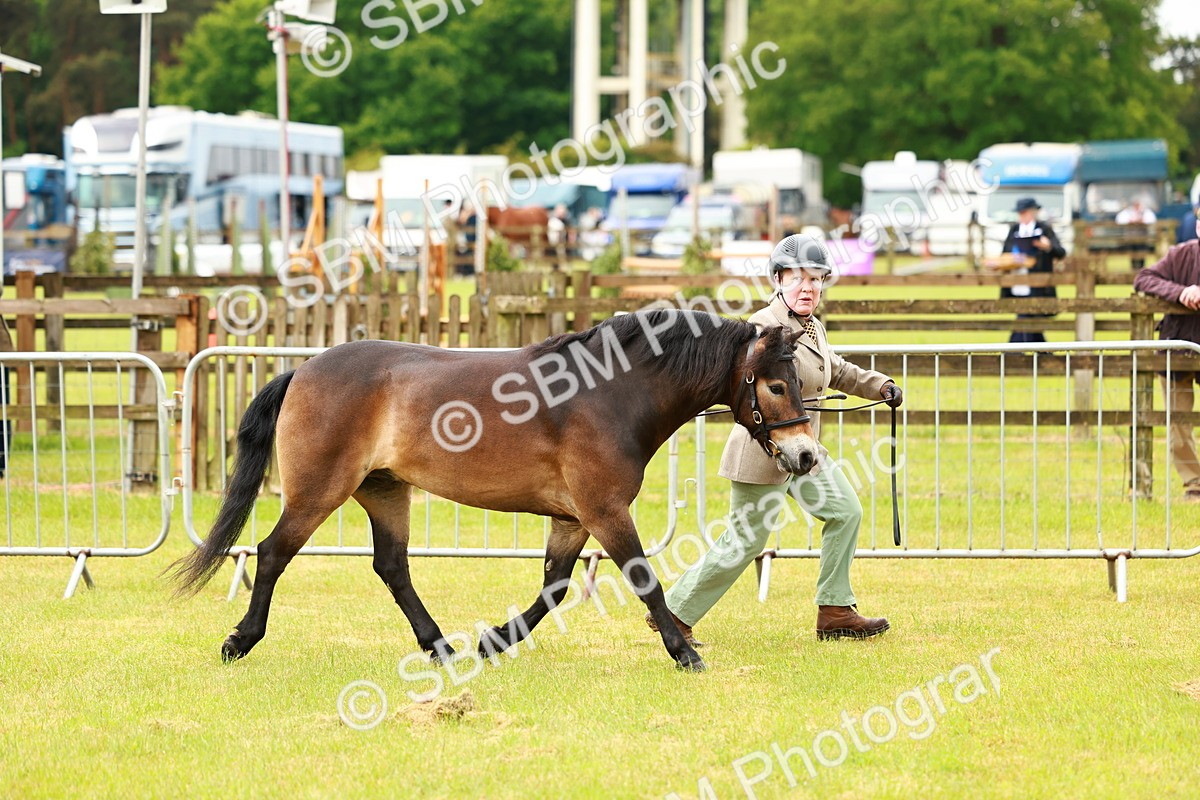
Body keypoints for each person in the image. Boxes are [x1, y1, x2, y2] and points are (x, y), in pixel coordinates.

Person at [647, 234, 904, 645]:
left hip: (805, 452)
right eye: (799, 278)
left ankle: (835, 610)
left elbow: (835, 370)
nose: (809, 288)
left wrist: (881, 386)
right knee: (744, 542)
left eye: (817, 279)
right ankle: (674, 612)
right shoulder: (764, 329)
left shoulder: (812, 326)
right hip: (763, 453)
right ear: (779, 279)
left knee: (845, 512)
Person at [1132, 216, 1200, 502]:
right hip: (1177, 347)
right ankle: (1195, 484)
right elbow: (1143, 278)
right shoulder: (1181, 254)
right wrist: (1180, 292)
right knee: (1178, 420)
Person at [1002, 198, 1065, 344]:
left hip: (1039, 285)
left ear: (1033, 212)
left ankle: (1010, 357)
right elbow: (1005, 252)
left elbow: (1060, 252)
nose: (1022, 216)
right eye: (1020, 213)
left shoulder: (1044, 230)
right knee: (1030, 324)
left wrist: (1047, 246)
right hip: (1017, 282)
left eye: (1025, 213)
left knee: (1025, 320)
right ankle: (1045, 358)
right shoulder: (1014, 230)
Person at [1116, 199, 1157, 269]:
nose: (1137, 206)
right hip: (1131, 238)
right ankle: (1134, 268)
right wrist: (1130, 221)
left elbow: (1152, 219)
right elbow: (1119, 219)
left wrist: (1142, 221)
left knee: (1142, 254)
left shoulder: (1145, 212)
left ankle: (1142, 268)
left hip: (1143, 238)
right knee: (1132, 254)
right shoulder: (1128, 212)